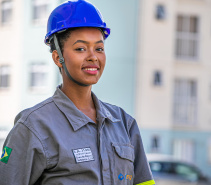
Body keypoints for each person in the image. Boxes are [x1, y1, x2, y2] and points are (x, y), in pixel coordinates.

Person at [0, 0, 155, 184]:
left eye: (99, 48)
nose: (93, 57)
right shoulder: (33, 127)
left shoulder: (124, 124)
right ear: (58, 58)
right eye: (80, 48)